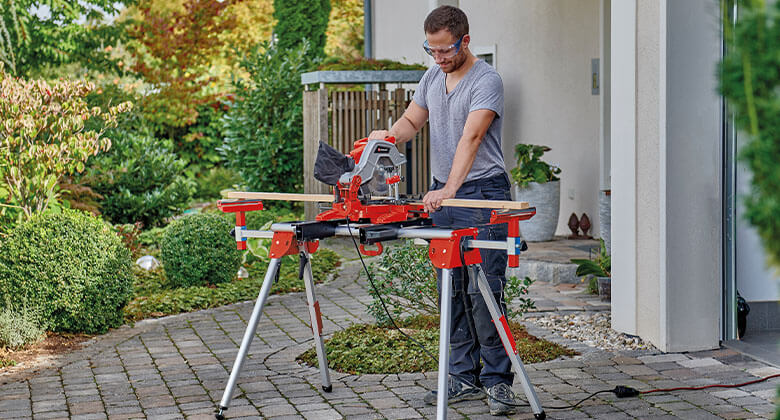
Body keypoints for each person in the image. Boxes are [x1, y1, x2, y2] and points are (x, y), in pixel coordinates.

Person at [367, 5, 515, 416]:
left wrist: (448, 189)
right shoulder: (433, 76)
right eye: (430, 50)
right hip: (443, 195)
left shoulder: (488, 81)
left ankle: (498, 382)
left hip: (482, 194)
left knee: (484, 290)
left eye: (445, 50)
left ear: (465, 41)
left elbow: (473, 136)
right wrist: (387, 136)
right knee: (450, 289)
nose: (438, 58)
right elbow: (412, 122)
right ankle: (462, 376)